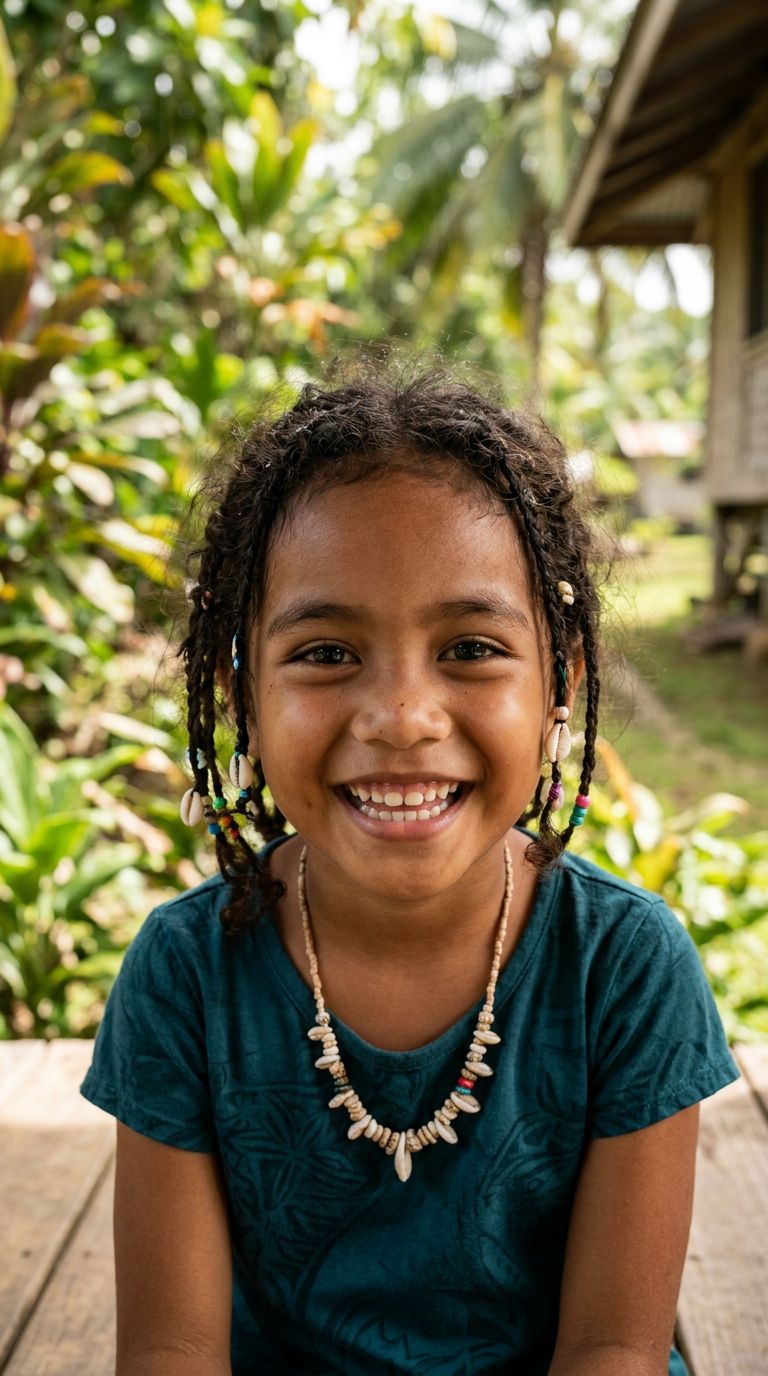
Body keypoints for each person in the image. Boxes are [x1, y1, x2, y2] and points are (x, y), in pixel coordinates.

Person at [80, 368, 739, 1376]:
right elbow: (170, 1349)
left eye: (471, 647)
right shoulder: (188, 974)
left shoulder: (624, 965)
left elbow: (612, 1347)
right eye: (327, 651)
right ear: (242, 693)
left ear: (559, 679)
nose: (401, 715)